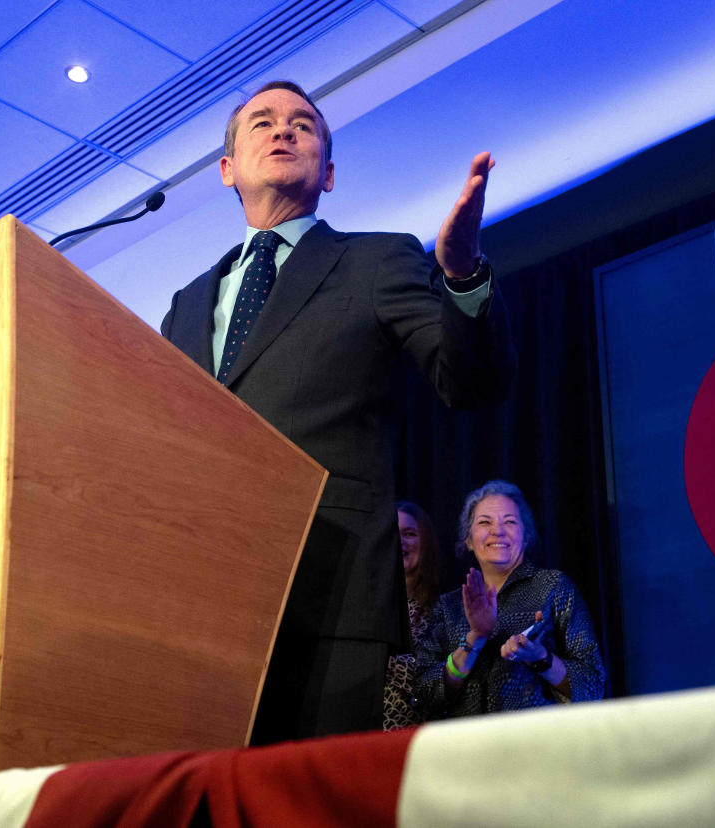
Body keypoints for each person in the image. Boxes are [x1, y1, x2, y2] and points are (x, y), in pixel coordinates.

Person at [159, 81, 514, 742]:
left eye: (302, 124)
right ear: (228, 169)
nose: (282, 130)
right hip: (200, 600)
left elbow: (473, 384)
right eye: (262, 122)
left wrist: (462, 274)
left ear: (327, 172)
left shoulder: (374, 261)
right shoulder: (183, 305)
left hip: (332, 594)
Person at [415, 480, 605, 718]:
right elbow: (422, 695)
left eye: (510, 522)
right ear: (468, 539)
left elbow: (593, 686)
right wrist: (475, 638)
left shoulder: (553, 587)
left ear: (526, 536)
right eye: (485, 521)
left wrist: (540, 658)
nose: (497, 530)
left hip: (536, 742)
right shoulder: (449, 606)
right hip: (468, 747)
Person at [383, 502, 443, 730]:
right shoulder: (367, 604)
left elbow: (437, 678)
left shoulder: (443, 609)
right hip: (365, 731)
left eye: (409, 534)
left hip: (416, 734)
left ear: (425, 543)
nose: (400, 542)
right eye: (393, 534)